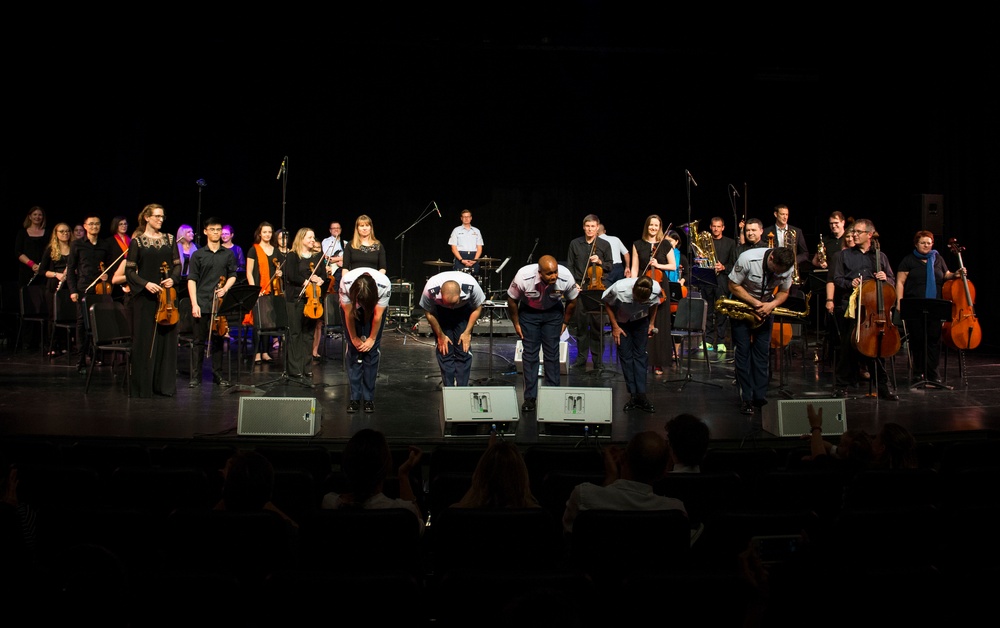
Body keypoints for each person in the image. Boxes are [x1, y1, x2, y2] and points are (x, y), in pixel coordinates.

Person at [562, 430, 687, 535]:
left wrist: (611, 478)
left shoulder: (584, 496)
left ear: (622, 459)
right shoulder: (675, 512)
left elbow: (569, 541)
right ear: (664, 472)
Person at [832, 219, 899, 401]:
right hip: (852, 306)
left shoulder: (880, 256)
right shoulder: (844, 256)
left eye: (858, 232)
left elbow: (892, 281)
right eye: (853, 232)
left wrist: (885, 278)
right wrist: (849, 283)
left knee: (875, 348)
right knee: (847, 347)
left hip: (873, 309)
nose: (853, 234)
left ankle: (883, 387)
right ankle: (841, 386)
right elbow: (837, 278)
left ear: (869, 235)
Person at [727, 245, 796, 415]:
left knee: (762, 354)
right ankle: (747, 398)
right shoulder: (748, 258)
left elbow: (784, 291)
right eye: (776, 271)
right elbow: (733, 285)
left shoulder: (787, 265)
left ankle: (759, 396)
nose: (778, 275)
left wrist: (771, 305)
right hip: (743, 304)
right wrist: (756, 304)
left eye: (782, 273)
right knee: (743, 352)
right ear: (771, 258)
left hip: (766, 306)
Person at [506, 255, 580, 413]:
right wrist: (516, 323)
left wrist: (565, 323)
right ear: (539, 273)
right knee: (530, 354)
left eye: (555, 272)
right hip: (529, 312)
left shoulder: (565, 276)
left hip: (553, 313)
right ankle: (530, 398)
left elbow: (573, 301)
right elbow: (512, 300)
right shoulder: (523, 276)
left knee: (552, 352)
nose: (554, 276)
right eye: (549, 273)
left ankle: (553, 394)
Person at [124, 204, 181, 398]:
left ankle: (164, 386)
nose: (160, 219)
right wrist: (146, 284)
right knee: (145, 341)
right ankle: (143, 387)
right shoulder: (137, 242)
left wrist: (173, 279)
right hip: (145, 298)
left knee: (166, 341)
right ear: (146, 218)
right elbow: (129, 271)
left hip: (166, 298)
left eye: (162, 217)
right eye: (156, 216)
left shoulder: (170, 239)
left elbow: (177, 265)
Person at [321, 428, 424, 532]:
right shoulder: (404, 513)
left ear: (346, 467)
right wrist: (403, 475)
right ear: (386, 468)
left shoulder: (329, 503)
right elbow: (419, 529)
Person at [895, 230, 964, 384]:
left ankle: (933, 373)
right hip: (915, 305)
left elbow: (946, 275)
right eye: (922, 243)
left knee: (934, 339)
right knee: (918, 339)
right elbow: (900, 282)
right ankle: (918, 373)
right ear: (916, 244)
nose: (926, 245)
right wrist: (899, 302)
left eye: (929, 242)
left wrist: (956, 274)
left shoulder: (937, 258)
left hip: (935, 305)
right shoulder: (908, 260)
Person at [187, 217, 238, 388]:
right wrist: (194, 304)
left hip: (219, 304)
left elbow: (233, 275)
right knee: (198, 341)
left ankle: (218, 375)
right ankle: (195, 377)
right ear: (205, 231)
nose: (216, 232)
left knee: (218, 341)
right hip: (202, 302)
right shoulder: (198, 255)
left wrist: (225, 289)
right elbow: (192, 279)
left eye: (218, 229)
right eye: (213, 229)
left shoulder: (228, 254)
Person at [602, 275, 661, 412]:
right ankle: (633, 395)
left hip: (641, 321)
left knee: (640, 356)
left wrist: (651, 324)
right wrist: (615, 327)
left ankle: (642, 395)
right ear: (633, 290)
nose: (639, 302)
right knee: (626, 357)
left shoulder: (655, 288)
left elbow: (655, 305)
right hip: (622, 323)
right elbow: (607, 303)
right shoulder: (619, 288)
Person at [419, 270, 486, 387]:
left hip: (463, 310)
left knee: (463, 349)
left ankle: (462, 388)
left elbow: (477, 308)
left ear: (460, 292)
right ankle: (448, 389)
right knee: (444, 349)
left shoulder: (472, 285)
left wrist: (467, 332)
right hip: (441, 312)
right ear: (440, 293)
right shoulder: (430, 289)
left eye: (453, 303)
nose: (451, 307)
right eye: (449, 303)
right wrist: (440, 335)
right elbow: (428, 313)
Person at [340, 266, 392, 413]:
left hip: (374, 307)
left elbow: (377, 316)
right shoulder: (346, 282)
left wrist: (371, 339)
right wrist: (354, 337)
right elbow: (349, 314)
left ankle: (369, 398)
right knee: (353, 349)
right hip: (350, 308)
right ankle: (354, 397)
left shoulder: (384, 285)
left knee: (371, 350)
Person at [282, 227, 329, 385]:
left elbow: (322, 274)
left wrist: (321, 280)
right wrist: (308, 281)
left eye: (313, 237)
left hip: (313, 299)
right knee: (295, 333)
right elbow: (291, 275)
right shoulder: (292, 256)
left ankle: (306, 367)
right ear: (301, 238)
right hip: (296, 298)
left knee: (308, 333)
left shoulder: (317, 257)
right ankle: (294, 370)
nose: (312, 240)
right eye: (309, 237)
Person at [66, 214, 113, 374]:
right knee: (82, 324)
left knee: (99, 323)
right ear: (85, 226)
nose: (94, 227)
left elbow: (110, 266)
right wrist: (73, 291)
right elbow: (71, 270)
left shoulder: (105, 245)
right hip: (83, 288)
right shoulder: (77, 245)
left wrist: (108, 275)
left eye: (97, 224)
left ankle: (98, 356)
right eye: (91, 224)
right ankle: (81, 360)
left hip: (101, 289)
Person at [630, 214, 675, 375]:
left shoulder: (665, 245)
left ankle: (658, 362)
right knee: (642, 321)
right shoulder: (638, 244)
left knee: (659, 324)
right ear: (646, 226)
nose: (653, 228)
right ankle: (641, 358)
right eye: (651, 225)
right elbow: (635, 268)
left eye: (656, 225)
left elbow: (673, 266)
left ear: (660, 227)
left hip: (660, 286)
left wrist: (658, 264)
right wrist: (633, 286)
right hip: (643, 286)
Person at [567, 214, 612, 369]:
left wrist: (600, 261)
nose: (590, 229)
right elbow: (570, 266)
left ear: (597, 227)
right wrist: (574, 284)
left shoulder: (604, 245)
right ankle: (581, 358)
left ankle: (598, 360)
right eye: (588, 226)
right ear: (583, 227)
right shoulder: (575, 243)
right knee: (580, 324)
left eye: (593, 226)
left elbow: (610, 266)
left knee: (597, 325)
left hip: (598, 288)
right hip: (580, 287)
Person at [215, 451, 298, 531]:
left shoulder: (211, 525)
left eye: (225, 479)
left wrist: (227, 493)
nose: (221, 471)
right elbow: (295, 529)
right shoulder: (278, 526)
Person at [452, 435, 539, 509]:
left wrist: (490, 458)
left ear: (479, 477)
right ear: (522, 477)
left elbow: (462, 506)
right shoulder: (538, 515)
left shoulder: (456, 514)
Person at [246, 221, 283, 364]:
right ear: (259, 233)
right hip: (259, 291)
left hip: (272, 291)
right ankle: (256, 353)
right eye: (264, 232)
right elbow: (249, 272)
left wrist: (279, 272)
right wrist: (254, 290)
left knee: (269, 321)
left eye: (269, 232)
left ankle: (266, 351)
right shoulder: (253, 250)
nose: (267, 234)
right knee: (258, 323)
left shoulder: (276, 250)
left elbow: (278, 270)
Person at [701, 216, 738, 353]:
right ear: (710, 227)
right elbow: (699, 259)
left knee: (722, 311)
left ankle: (721, 341)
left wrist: (723, 267)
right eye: (714, 226)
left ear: (723, 228)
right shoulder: (704, 242)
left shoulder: (730, 243)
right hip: (707, 280)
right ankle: (709, 340)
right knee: (708, 312)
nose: (716, 229)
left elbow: (734, 264)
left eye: (719, 226)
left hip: (722, 280)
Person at [37, 223, 73, 356]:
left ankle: (65, 345)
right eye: (62, 231)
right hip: (53, 285)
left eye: (67, 231)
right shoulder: (51, 250)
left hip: (68, 286)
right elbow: (42, 271)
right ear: (56, 234)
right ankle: (52, 345)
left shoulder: (74, 248)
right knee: (53, 316)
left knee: (66, 316)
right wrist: (56, 274)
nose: (65, 233)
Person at [763, 204, 810, 278]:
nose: (785, 217)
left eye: (787, 214)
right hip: (773, 270)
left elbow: (805, 254)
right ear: (776, 214)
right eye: (782, 214)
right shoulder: (766, 231)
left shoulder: (797, 231)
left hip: (791, 271)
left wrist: (792, 260)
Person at [15, 206, 47, 289]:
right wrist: (32, 265)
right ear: (30, 216)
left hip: (44, 270)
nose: (37, 217)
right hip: (27, 270)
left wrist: (42, 266)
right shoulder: (22, 233)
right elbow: (18, 252)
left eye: (40, 215)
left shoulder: (48, 233)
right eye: (35, 214)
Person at [448, 208, 484, 276]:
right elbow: (453, 247)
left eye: (468, 217)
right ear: (461, 218)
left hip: (474, 256)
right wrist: (461, 260)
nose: (466, 218)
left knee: (474, 277)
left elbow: (479, 248)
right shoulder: (456, 230)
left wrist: (475, 260)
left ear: (471, 218)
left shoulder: (476, 231)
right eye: (464, 217)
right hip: (461, 256)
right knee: (459, 278)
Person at [105, 215, 132, 303]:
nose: (124, 226)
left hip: (128, 273)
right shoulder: (109, 241)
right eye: (121, 224)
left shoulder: (131, 240)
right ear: (115, 225)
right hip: (115, 273)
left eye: (125, 224)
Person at [320, 220, 345, 292]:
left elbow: (349, 257)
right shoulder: (326, 241)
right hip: (332, 270)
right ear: (330, 230)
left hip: (342, 269)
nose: (336, 229)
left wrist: (339, 259)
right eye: (334, 228)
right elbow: (326, 256)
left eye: (338, 228)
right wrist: (339, 259)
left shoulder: (345, 243)